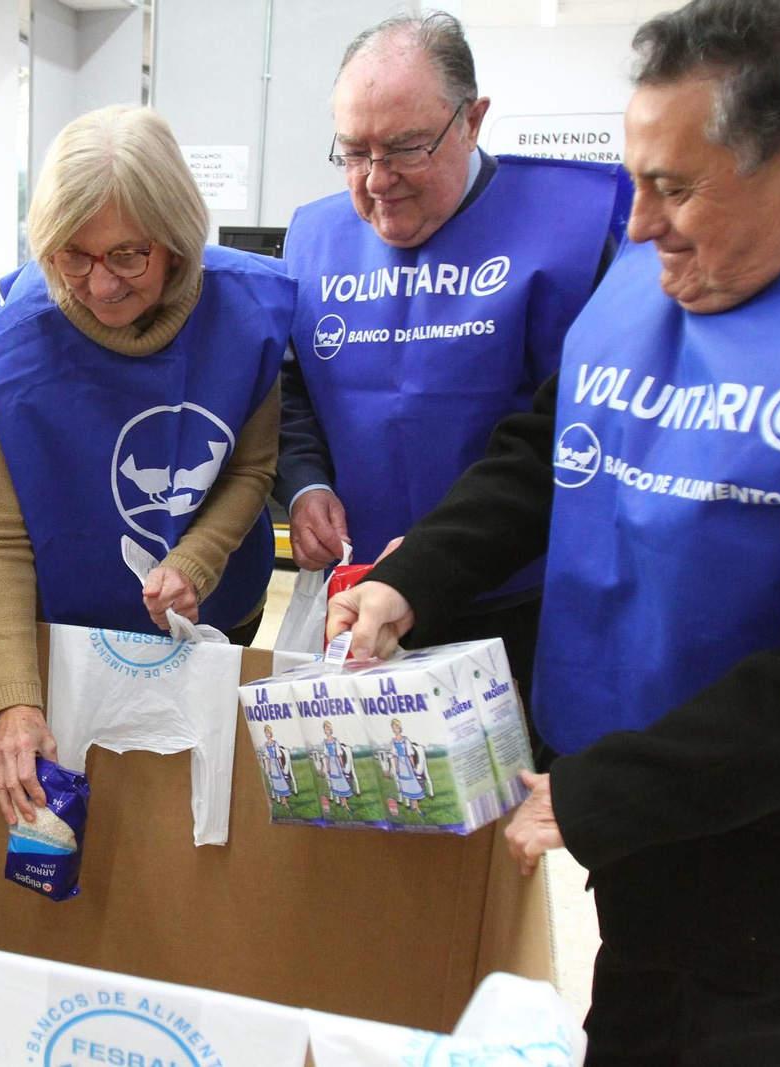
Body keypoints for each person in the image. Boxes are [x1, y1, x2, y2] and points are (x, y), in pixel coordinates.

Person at [329, 2, 780, 1061]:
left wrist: (605, 793)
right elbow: (543, 450)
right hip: (647, 857)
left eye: (675, 187)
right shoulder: (666, 266)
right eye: (637, 180)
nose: (638, 226)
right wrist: (416, 576)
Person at [276, 13, 627, 719]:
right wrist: (304, 484)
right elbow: (290, 392)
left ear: (471, 120)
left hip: (519, 595)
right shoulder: (315, 238)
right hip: (357, 593)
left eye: (406, 148)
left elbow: (574, 434)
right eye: (354, 152)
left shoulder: (575, 231)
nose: (378, 180)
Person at [0, 105, 294, 827]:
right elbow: (1, 537)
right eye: (73, 255)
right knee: (113, 814)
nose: (101, 285)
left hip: (218, 618)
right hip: (79, 635)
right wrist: (15, 701)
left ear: (176, 241)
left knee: (197, 806)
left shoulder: (246, 315)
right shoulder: (17, 346)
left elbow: (252, 467)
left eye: (127, 255)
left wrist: (197, 561)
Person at [387, 719, 425, 816]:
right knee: (405, 784)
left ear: (400, 728)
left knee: (412, 784)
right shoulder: (393, 741)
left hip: (407, 763)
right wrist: (396, 767)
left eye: (397, 727)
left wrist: (413, 766)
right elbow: (395, 756)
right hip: (400, 764)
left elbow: (410, 754)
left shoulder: (405, 740)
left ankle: (417, 808)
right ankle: (412, 805)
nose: (396, 730)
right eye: (394, 728)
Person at [261, 725, 294, 811]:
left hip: (276, 763)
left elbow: (279, 756)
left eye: (268, 733)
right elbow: (268, 757)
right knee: (276, 782)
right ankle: (282, 800)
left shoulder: (275, 743)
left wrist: (281, 767)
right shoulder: (266, 745)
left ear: (271, 733)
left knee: (281, 781)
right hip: (272, 764)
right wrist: (269, 767)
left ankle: (285, 801)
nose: (267, 734)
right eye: (266, 733)